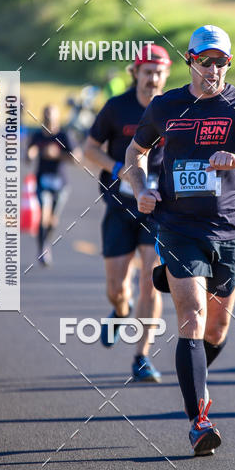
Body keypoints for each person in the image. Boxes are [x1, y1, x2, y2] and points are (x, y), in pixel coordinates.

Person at [125, 25, 235, 455]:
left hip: (230, 231)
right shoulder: (167, 106)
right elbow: (135, 152)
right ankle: (199, 420)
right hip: (179, 228)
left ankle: (193, 372)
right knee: (193, 317)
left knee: (216, 329)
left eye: (222, 62)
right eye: (206, 61)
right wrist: (141, 188)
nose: (214, 69)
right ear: (190, 61)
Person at [84, 44, 171, 382]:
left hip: (158, 209)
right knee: (117, 288)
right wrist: (117, 166)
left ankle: (142, 356)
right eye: (147, 72)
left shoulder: (174, 107)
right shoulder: (115, 107)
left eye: (159, 72)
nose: (153, 78)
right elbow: (89, 148)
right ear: (135, 73)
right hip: (120, 206)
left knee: (152, 283)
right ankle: (120, 312)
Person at [27, 105, 79, 266]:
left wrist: (58, 154)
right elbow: (28, 156)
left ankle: (46, 242)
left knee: (52, 220)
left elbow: (77, 158)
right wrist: (31, 153)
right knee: (43, 214)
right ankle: (42, 248)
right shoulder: (37, 135)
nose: (49, 118)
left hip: (60, 183)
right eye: (46, 115)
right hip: (42, 180)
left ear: (57, 117)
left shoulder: (64, 135)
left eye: (52, 115)